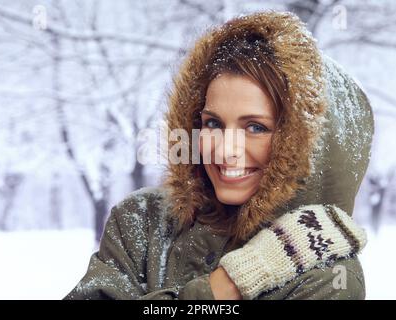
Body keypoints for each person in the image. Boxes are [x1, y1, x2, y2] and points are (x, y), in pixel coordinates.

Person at [64, 11, 373, 300]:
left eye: (255, 127)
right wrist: (223, 286)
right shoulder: (141, 219)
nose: (225, 150)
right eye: (213, 123)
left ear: (306, 144)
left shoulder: (327, 276)